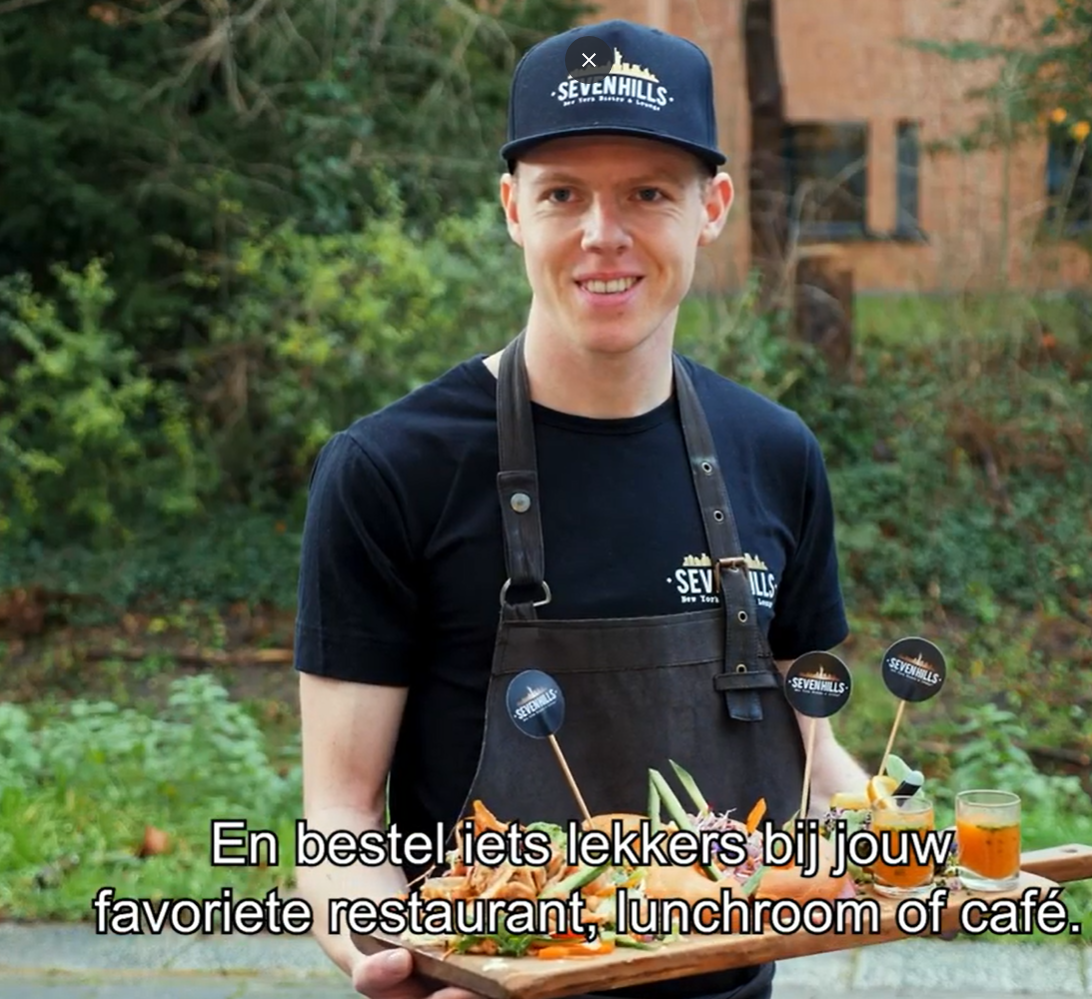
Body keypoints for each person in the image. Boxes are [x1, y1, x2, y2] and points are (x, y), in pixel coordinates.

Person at [292, 17, 871, 999]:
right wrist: (385, 951)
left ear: (712, 206)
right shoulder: (389, 471)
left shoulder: (775, 455)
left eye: (647, 192)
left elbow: (813, 754)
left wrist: (917, 851)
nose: (604, 234)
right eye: (565, 194)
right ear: (514, 208)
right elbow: (340, 815)